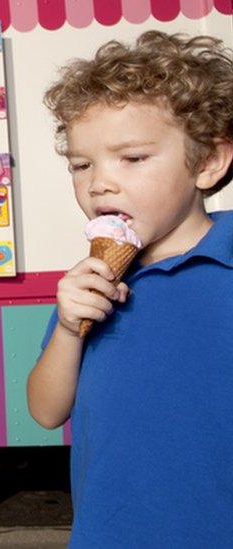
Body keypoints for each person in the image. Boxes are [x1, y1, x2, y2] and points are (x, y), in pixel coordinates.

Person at [27, 31, 233, 546]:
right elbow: (46, 411)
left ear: (207, 161)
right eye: (81, 164)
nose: (99, 183)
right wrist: (69, 330)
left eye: (132, 158)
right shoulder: (91, 283)